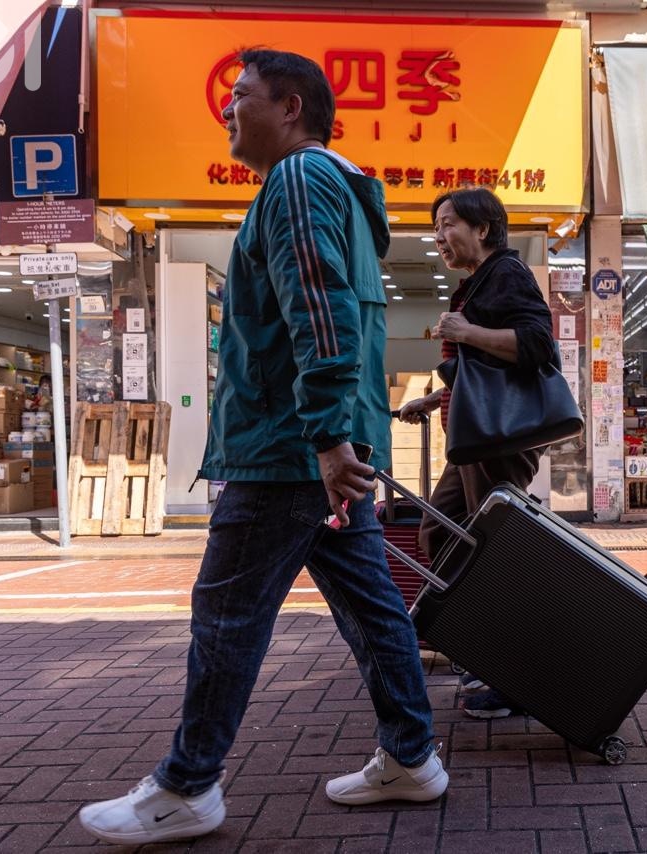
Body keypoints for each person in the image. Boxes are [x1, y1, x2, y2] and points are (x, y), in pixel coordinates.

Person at [78, 49, 446, 846]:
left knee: (227, 611)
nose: (227, 109)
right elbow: (337, 310)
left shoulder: (297, 181)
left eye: (240, 95)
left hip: (288, 450)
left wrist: (321, 434)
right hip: (321, 448)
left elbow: (320, 311)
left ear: (289, 107)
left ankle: (187, 784)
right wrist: (337, 436)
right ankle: (412, 756)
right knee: (371, 604)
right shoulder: (338, 189)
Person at [398, 187, 555, 720]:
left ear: (482, 228)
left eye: (447, 224)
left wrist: (469, 332)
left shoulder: (506, 274)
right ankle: (480, 644)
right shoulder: (476, 284)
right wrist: (436, 395)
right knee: (442, 532)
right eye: (436, 227)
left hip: (497, 442)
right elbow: (481, 372)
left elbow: (538, 345)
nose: (439, 237)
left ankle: (512, 672)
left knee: (493, 553)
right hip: (472, 438)